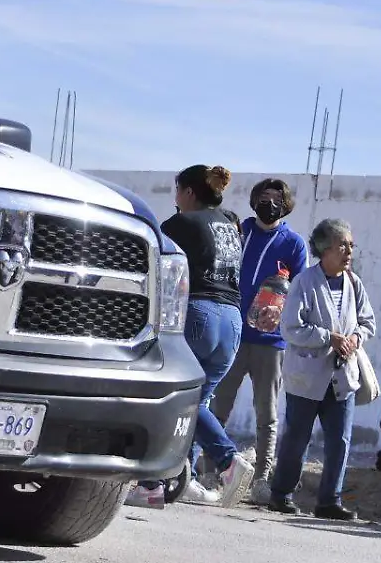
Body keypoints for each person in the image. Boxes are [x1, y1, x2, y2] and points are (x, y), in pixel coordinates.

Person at [125, 164, 254, 510]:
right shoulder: (230, 223)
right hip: (231, 321)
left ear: (190, 193)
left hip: (198, 315)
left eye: (178, 190)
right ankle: (175, 481)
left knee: (179, 398)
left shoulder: (180, 224)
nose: (174, 197)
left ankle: (227, 462)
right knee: (199, 403)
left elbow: (152, 260)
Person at [210, 178, 310, 505]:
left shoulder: (293, 244)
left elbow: (300, 292)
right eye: (264, 197)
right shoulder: (240, 231)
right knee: (218, 404)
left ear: (286, 204)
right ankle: (211, 470)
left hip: (270, 342)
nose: (269, 203)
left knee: (266, 412)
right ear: (254, 201)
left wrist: (281, 315)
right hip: (234, 334)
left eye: (276, 198)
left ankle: (263, 477)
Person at [267, 218, 375, 520]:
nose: (349, 251)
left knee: (340, 440)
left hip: (342, 377)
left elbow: (368, 323)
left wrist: (354, 338)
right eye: (343, 244)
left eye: (351, 245)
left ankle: (330, 500)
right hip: (307, 376)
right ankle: (282, 494)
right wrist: (329, 337)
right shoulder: (304, 282)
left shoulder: (355, 283)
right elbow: (291, 328)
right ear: (325, 249)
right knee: (296, 438)